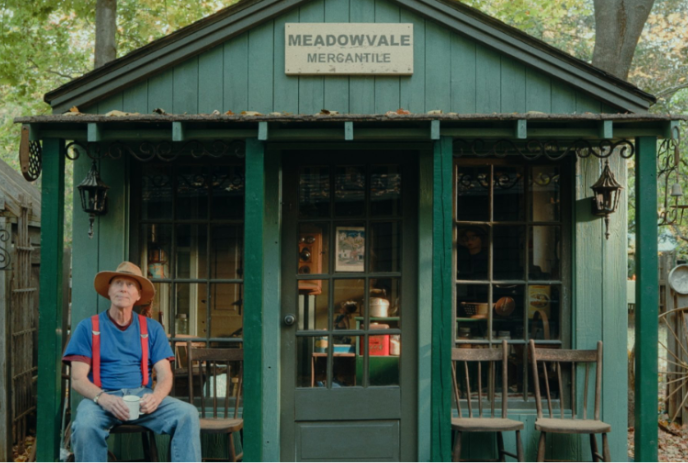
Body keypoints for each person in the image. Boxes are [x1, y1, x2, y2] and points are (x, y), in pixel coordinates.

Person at [63, 261, 201, 462]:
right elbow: (77, 379)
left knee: (187, 414)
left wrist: (156, 397)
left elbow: (164, 374)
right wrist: (103, 398)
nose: (123, 289)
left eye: (130, 285)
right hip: (101, 399)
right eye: (118, 283)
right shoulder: (88, 327)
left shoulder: (151, 329)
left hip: (141, 398)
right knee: (85, 425)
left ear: (138, 296)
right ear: (109, 291)